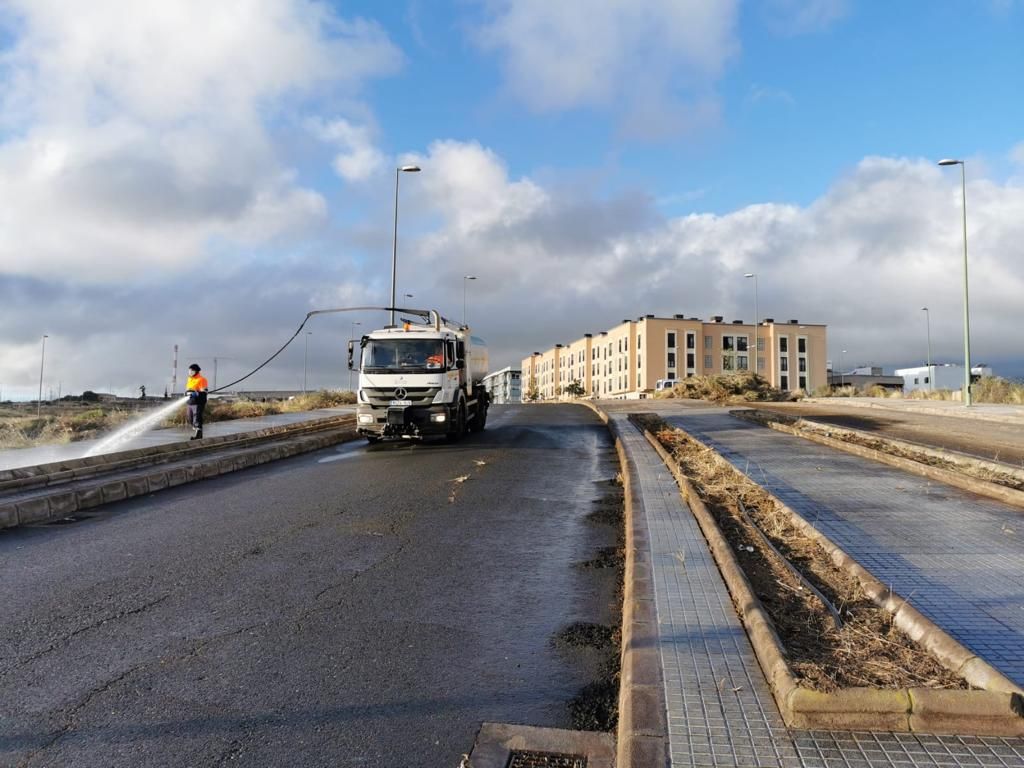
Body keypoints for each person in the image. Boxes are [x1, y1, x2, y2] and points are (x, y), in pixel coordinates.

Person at [185, 363, 209, 439]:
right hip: (190, 401)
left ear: (196, 371)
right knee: (190, 417)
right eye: (189, 371)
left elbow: (204, 392)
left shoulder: (202, 379)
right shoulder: (190, 379)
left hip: (198, 402)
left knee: (197, 417)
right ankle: (198, 431)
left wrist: (197, 393)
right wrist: (187, 393)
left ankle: (198, 434)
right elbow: (189, 388)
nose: (190, 372)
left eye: (192, 371)